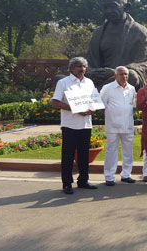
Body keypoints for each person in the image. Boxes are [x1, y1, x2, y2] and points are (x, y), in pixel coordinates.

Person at [86, 0, 147, 90]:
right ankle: (101, 89)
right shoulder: (98, 33)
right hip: (99, 78)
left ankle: (103, 90)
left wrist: (116, 72)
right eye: (105, 7)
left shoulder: (139, 31)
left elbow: (146, 63)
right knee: (60, 79)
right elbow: (89, 63)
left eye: (113, 6)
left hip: (124, 77)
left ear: (126, 7)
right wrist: (92, 71)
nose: (108, 11)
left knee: (131, 76)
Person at [51, 57, 98, 195]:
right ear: (71, 68)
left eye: (84, 66)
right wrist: (75, 109)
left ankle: (83, 180)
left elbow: (94, 101)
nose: (82, 69)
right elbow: (55, 102)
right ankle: (67, 183)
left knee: (84, 155)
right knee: (68, 155)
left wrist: (93, 109)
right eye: (78, 66)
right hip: (70, 124)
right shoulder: (63, 82)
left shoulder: (89, 82)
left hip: (85, 124)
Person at [101, 66, 137, 186]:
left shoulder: (131, 88)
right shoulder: (107, 88)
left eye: (126, 74)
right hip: (113, 125)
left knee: (128, 151)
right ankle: (109, 176)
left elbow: (134, 105)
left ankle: (126, 174)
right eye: (121, 74)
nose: (124, 76)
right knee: (111, 151)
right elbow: (101, 105)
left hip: (128, 125)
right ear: (115, 76)